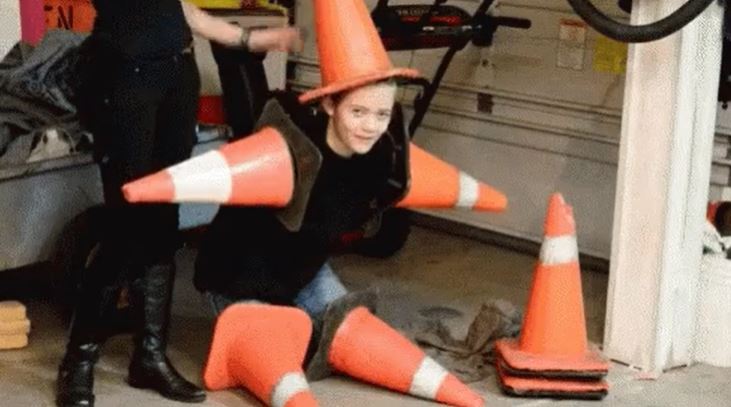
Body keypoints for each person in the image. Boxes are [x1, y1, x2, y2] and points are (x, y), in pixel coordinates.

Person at [55, 1, 302, 406]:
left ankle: (149, 357)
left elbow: (183, 11)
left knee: (166, 219)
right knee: (126, 224)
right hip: (125, 79)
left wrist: (251, 39)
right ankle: (77, 363)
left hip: (176, 77)